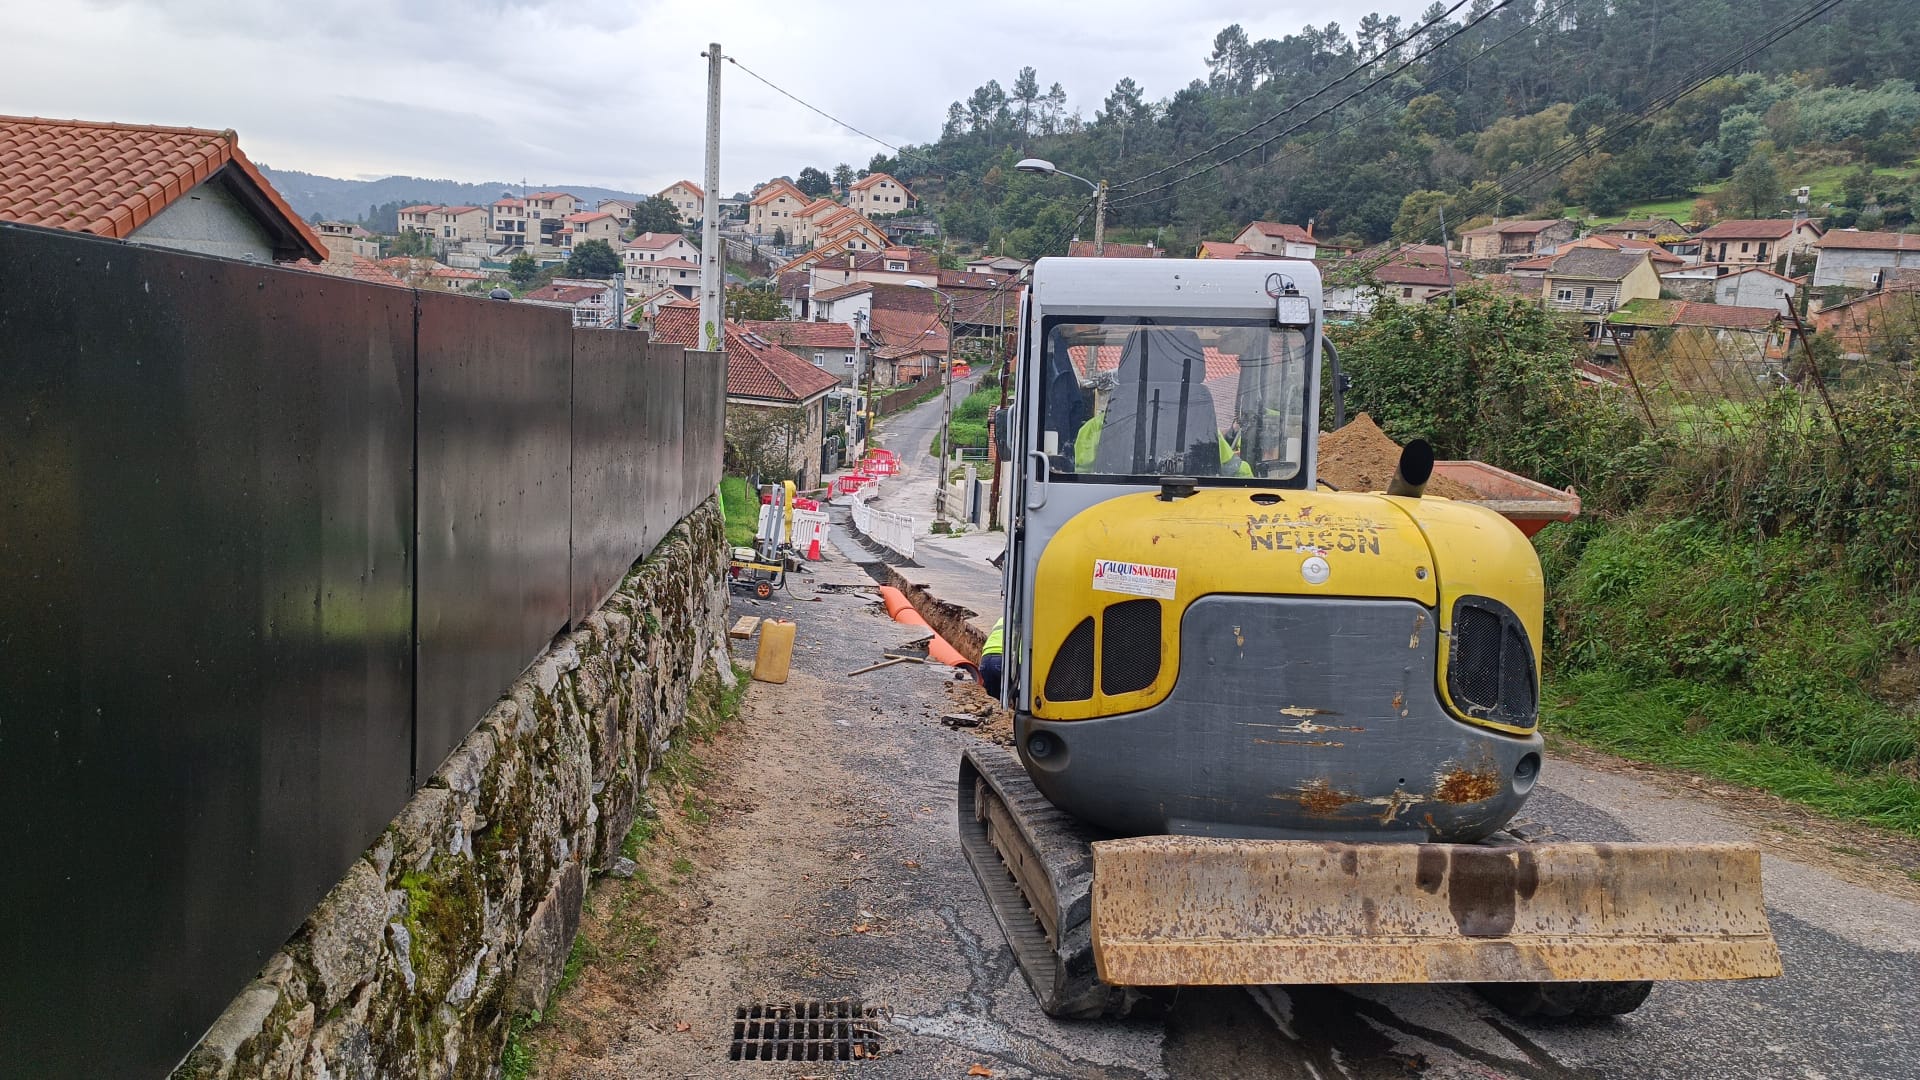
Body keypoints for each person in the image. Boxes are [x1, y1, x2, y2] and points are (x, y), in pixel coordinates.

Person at [979, 617, 1005, 698]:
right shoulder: (1027, 622)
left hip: (985, 660)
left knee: (992, 697)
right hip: (1001, 659)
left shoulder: (1002, 619)